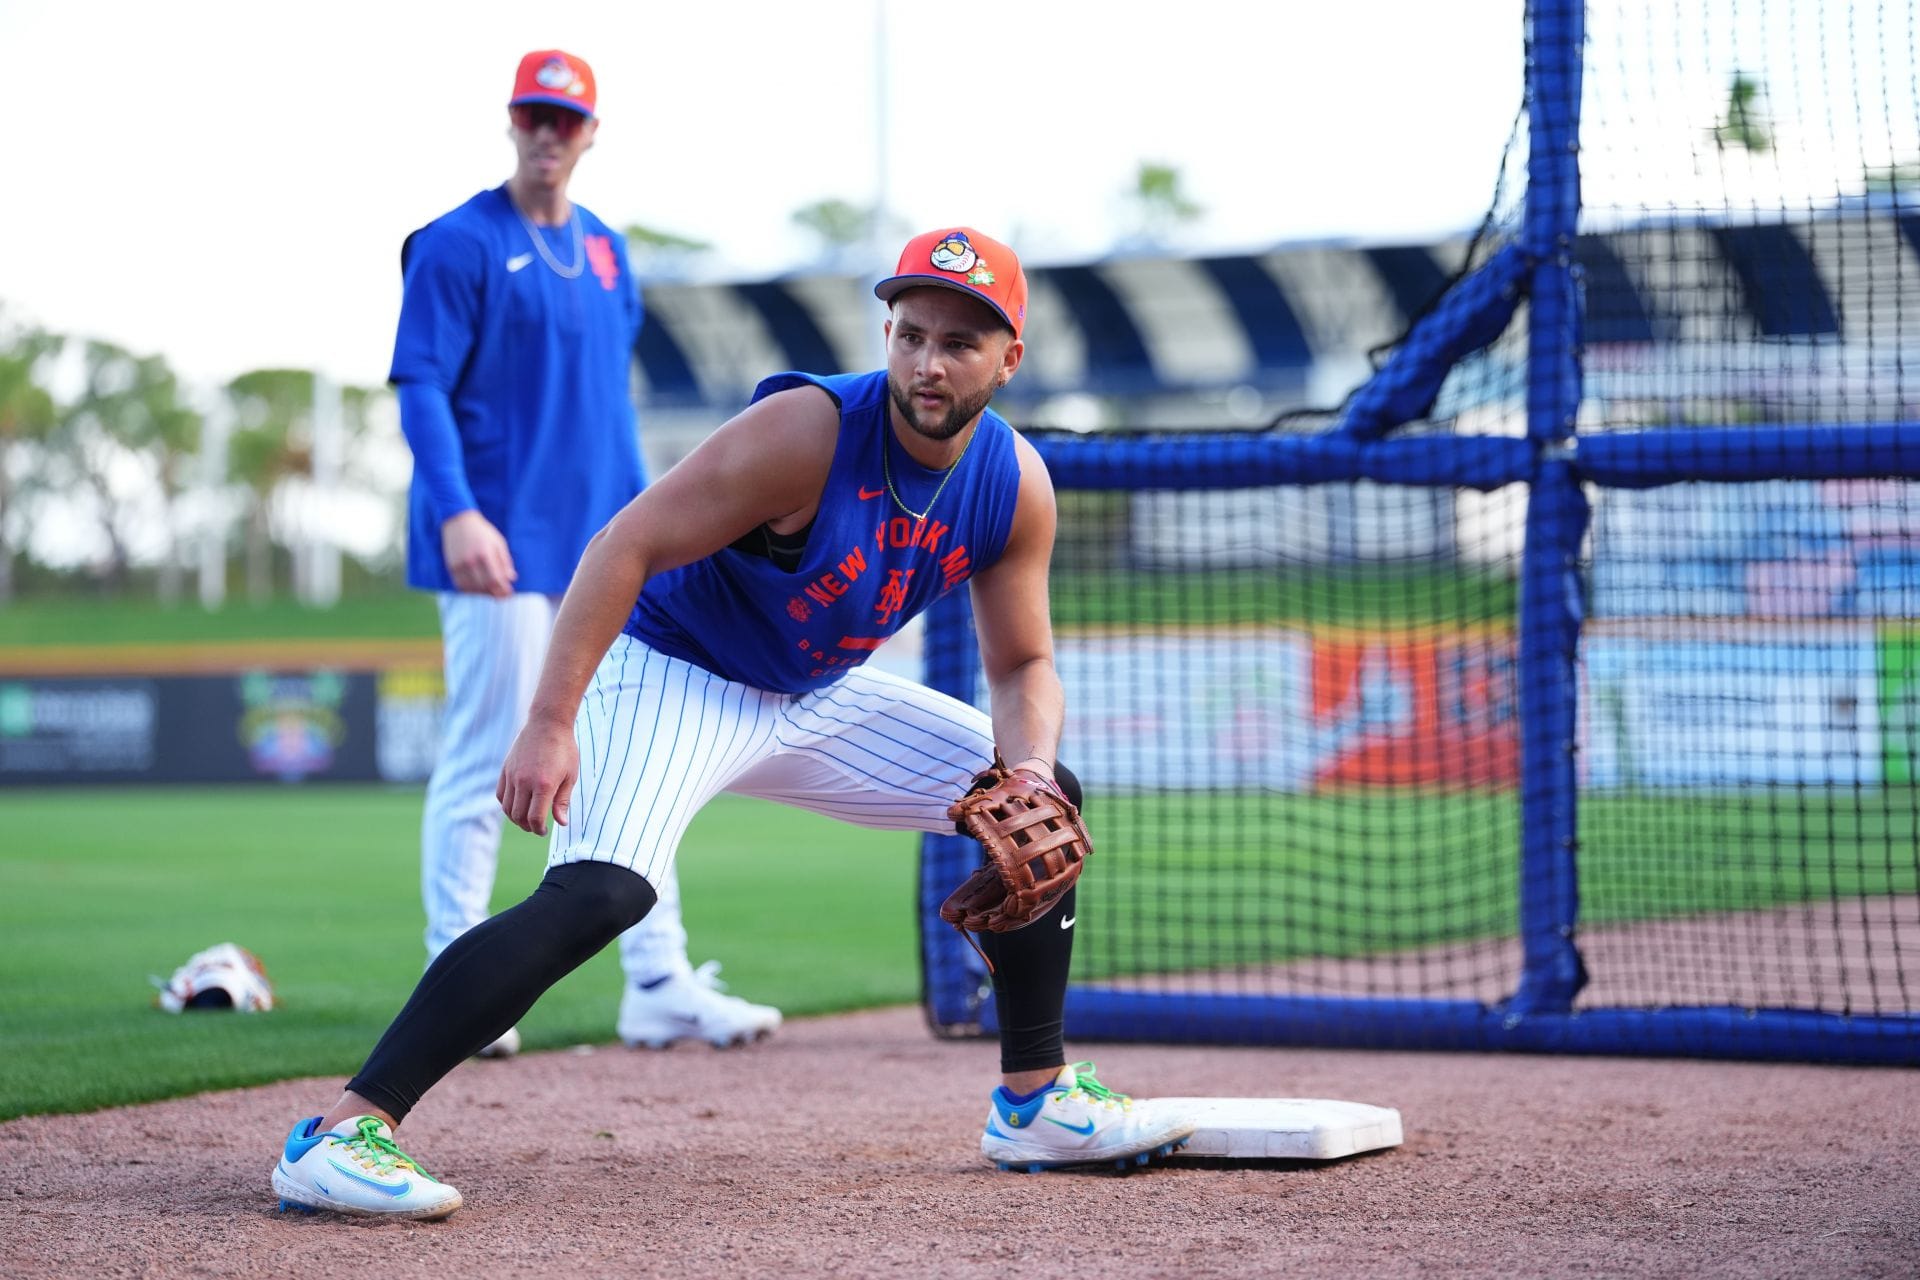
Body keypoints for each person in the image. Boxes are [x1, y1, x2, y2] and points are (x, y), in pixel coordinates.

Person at [272, 226, 1196, 1219]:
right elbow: (622, 543)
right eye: (912, 332)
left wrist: (1030, 764)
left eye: (960, 342)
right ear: (885, 330)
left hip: (819, 691)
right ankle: (339, 1131)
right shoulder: (812, 430)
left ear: (1009, 357)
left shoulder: (1014, 483)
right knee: (603, 891)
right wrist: (550, 718)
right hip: (679, 671)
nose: (928, 361)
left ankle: (1036, 1101)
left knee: (1033, 802)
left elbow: (1022, 663)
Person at [388, 48, 778, 1060]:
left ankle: (656, 980)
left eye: (566, 120)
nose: (548, 134)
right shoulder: (457, 243)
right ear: (511, 122)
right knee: (491, 751)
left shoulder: (607, 250)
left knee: (638, 753)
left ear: (591, 131)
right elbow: (420, 385)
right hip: (501, 542)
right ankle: (457, 972)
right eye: (533, 115)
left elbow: (606, 397)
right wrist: (455, 511)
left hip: (609, 548)